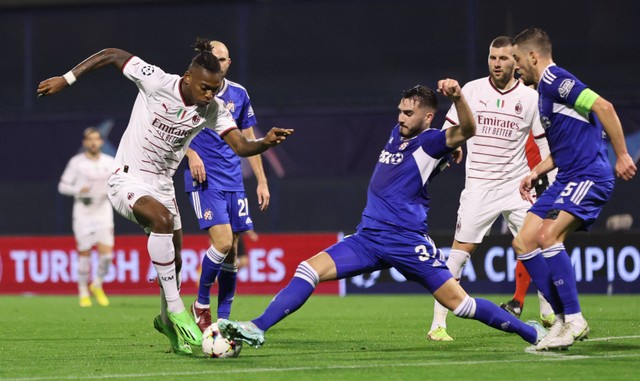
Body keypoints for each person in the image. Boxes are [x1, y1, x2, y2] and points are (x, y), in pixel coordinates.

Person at [217, 81, 547, 350]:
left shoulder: (432, 141)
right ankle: (256, 328)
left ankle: (530, 332)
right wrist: (446, 158)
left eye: (408, 113)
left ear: (428, 117)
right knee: (309, 268)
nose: (401, 118)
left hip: (406, 242)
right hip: (369, 238)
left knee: (461, 306)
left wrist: (459, 99)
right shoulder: (396, 134)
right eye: (400, 111)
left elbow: (469, 129)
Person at [37, 38, 293, 355]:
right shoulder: (156, 80)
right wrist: (67, 78)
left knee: (175, 261)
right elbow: (112, 54)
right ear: (188, 79)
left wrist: (265, 143)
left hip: (162, 186)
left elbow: (241, 146)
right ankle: (176, 309)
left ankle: (165, 321)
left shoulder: (212, 108)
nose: (210, 95)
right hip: (126, 178)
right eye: (205, 88)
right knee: (161, 220)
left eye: (214, 90)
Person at [511, 28, 636, 350]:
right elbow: (565, 145)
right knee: (524, 241)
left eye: (516, 59)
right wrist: (537, 170)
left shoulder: (555, 79)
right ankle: (563, 320)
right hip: (567, 175)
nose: (515, 67)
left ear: (532, 56)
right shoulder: (544, 92)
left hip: (588, 176)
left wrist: (621, 155)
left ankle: (574, 318)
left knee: (547, 236)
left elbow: (604, 107)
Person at [427, 36, 556, 341]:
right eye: (492, 58)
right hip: (478, 186)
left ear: (515, 61)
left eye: (503, 58)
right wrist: (453, 147)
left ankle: (553, 314)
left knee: (538, 245)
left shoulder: (529, 98)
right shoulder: (471, 90)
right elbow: (448, 132)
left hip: (517, 187)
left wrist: (547, 178)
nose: (497, 64)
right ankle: (437, 326)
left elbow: (543, 144)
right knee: (459, 255)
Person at [185, 41, 269, 332]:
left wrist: (261, 180)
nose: (219, 64)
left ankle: (222, 319)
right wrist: (191, 154)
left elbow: (248, 138)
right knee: (221, 243)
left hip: (234, 180)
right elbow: (170, 127)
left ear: (229, 62)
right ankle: (200, 304)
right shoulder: (191, 90)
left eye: (223, 59)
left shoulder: (239, 94)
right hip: (204, 180)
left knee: (232, 253)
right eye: (214, 59)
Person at [58, 127, 115, 308]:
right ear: (84, 142)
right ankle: (83, 291)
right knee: (85, 254)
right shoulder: (76, 163)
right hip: (83, 213)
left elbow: (118, 183)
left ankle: (97, 284)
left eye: (96, 139)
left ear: (101, 142)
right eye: (90, 139)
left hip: (103, 212)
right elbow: (62, 186)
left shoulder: (110, 162)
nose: (93, 142)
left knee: (107, 255)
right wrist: (78, 191)